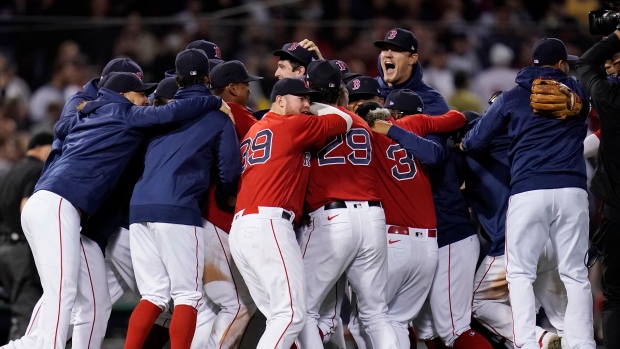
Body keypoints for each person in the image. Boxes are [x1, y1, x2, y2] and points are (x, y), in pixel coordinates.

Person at [20, 72, 224, 349]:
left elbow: (66, 121)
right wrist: (212, 102)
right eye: (140, 94)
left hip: (50, 204)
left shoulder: (89, 113)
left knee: (91, 302)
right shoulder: (122, 112)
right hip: (58, 204)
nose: (144, 100)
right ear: (125, 94)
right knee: (63, 292)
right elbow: (172, 111)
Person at [463, 37, 595, 349]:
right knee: (575, 274)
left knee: (519, 275)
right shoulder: (578, 92)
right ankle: (584, 344)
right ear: (562, 65)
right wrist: (581, 103)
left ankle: (525, 342)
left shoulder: (511, 98)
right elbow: (600, 100)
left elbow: (473, 142)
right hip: (572, 190)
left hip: (528, 192)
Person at [374, 27, 492, 349]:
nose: (387, 54)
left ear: (413, 58)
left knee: (450, 327)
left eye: (396, 50)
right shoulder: (376, 96)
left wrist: (396, 128)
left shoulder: (429, 102)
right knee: (424, 329)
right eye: (384, 48)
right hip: (409, 232)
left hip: (444, 224)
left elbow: (438, 154)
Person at [125, 49, 240, 349]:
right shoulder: (218, 117)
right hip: (178, 209)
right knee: (188, 295)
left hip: (139, 209)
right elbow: (230, 173)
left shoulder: (160, 114)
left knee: (153, 296)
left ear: (176, 80)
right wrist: (224, 194)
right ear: (208, 78)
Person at [229, 78, 352, 348]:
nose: (307, 103)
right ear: (280, 101)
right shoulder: (293, 124)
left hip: (242, 230)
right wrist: (321, 105)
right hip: (269, 224)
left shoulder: (255, 130)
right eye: (301, 98)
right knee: (292, 314)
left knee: (278, 317)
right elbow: (345, 120)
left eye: (309, 98)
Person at [349, 91, 465, 349]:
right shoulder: (414, 124)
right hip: (428, 246)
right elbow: (457, 117)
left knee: (366, 320)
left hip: (393, 243)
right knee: (398, 322)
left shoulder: (363, 137)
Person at [297, 59, 398, 349]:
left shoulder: (309, 118)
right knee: (377, 314)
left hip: (332, 218)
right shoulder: (364, 125)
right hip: (373, 217)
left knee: (302, 310)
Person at [202, 59, 262, 348]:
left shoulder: (208, 111)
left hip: (204, 219)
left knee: (210, 308)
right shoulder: (233, 110)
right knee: (238, 306)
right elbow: (269, 132)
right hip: (216, 221)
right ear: (232, 88)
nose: (249, 90)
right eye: (246, 84)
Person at [575, 29, 620, 349]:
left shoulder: (607, 97)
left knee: (616, 295)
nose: (611, 67)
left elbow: (585, 63)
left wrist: (615, 35)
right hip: (611, 206)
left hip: (615, 209)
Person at [0, 132, 52, 340]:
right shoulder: (37, 169)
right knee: (27, 310)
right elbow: (27, 208)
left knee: (17, 311)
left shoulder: (10, 172)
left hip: (3, 249)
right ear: (40, 147)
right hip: (21, 251)